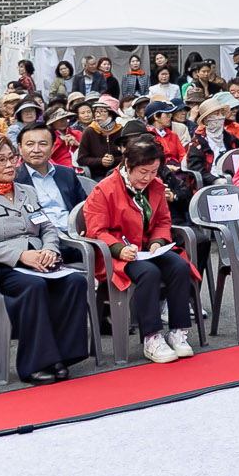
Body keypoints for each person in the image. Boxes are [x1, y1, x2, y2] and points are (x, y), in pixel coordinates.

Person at [0, 135, 93, 384]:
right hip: (3, 267)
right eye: (0, 160)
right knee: (34, 286)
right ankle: (34, 364)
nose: (9, 165)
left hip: (40, 259)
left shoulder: (26, 191)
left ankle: (61, 356)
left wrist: (51, 250)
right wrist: (20, 256)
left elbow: (48, 227)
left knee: (74, 281)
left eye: (11, 158)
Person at [82, 138, 197, 363]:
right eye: (142, 172)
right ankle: (151, 336)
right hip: (116, 254)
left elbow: (164, 220)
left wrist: (157, 242)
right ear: (127, 164)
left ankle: (178, 331)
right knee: (149, 273)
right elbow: (96, 230)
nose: (148, 178)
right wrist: (118, 249)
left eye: (154, 171)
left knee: (180, 267)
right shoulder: (105, 189)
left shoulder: (155, 186)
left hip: (146, 249)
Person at [14, 122, 89, 224]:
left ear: (52, 148)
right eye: (30, 144)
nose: (36, 150)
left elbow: (85, 206)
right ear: (20, 148)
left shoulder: (67, 174)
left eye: (43, 144)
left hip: (73, 232)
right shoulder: (14, 179)